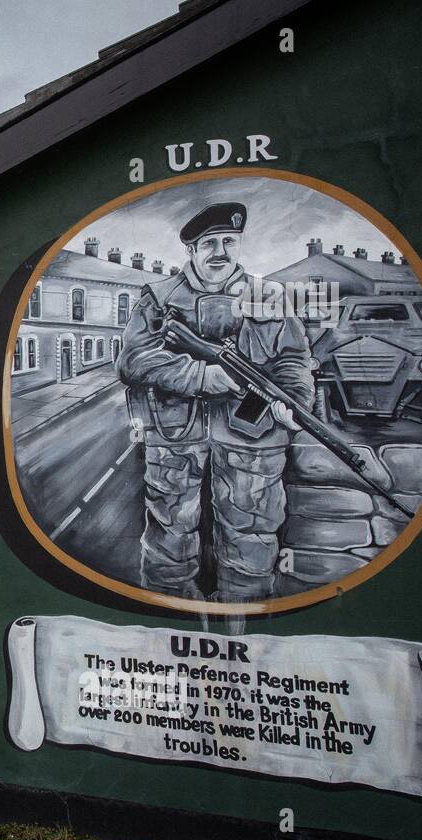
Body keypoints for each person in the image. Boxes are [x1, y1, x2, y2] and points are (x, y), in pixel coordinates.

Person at [117, 202, 313, 602]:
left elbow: (293, 357)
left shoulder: (270, 296)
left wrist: (294, 401)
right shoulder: (159, 297)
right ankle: (168, 624)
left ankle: (246, 632)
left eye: (229, 241)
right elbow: (133, 359)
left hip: (254, 438)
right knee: (169, 539)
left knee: (252, 540)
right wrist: (202, 376)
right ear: (191, 250)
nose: (220, 251)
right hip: (175, 433)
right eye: (209, 243)